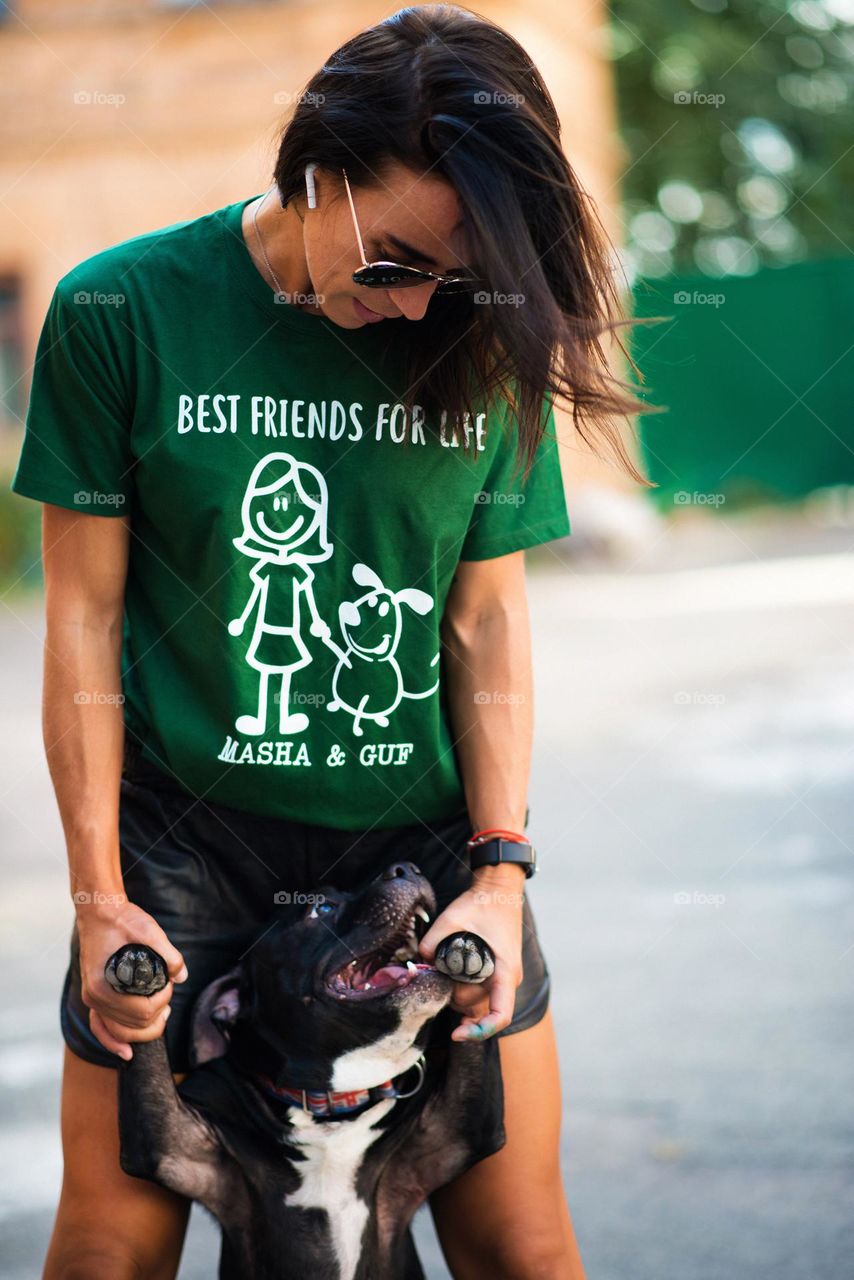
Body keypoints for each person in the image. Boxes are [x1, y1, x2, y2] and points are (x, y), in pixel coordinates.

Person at [12, 5, 651, 1277]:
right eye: (392, 259)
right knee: (104, 1244)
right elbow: (82, 615)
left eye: (449, 279)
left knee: (525, 1243)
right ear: (316, 172)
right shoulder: (120, 311)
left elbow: (483, 616)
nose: (414, 303)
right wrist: (98, 893)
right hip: (186, 849)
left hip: (421, 858)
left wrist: (500, 872)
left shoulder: (477, 346)